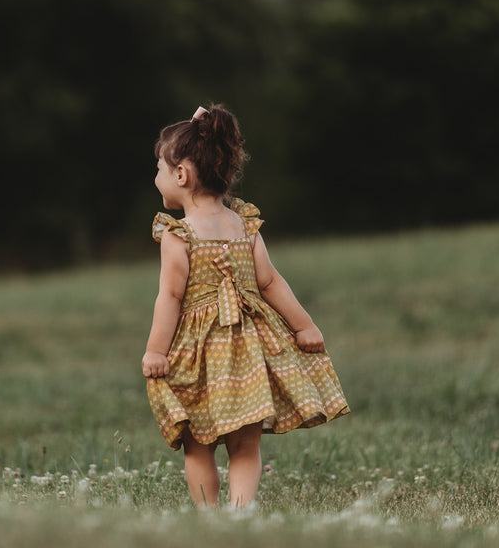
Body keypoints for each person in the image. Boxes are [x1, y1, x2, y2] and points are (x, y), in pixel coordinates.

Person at [143, 104, 349, 509]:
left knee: (198, 444)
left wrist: (155, 350)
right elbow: (270, 281)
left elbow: (169, 296)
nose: (157, 177)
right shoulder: (243, 225)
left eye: (160, 169)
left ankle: (209, 518)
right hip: (248, 354)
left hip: (200, 355)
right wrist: (304, 326)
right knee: (244, 445)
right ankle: (241, 514)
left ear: (181, 175)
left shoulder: (177, 234)